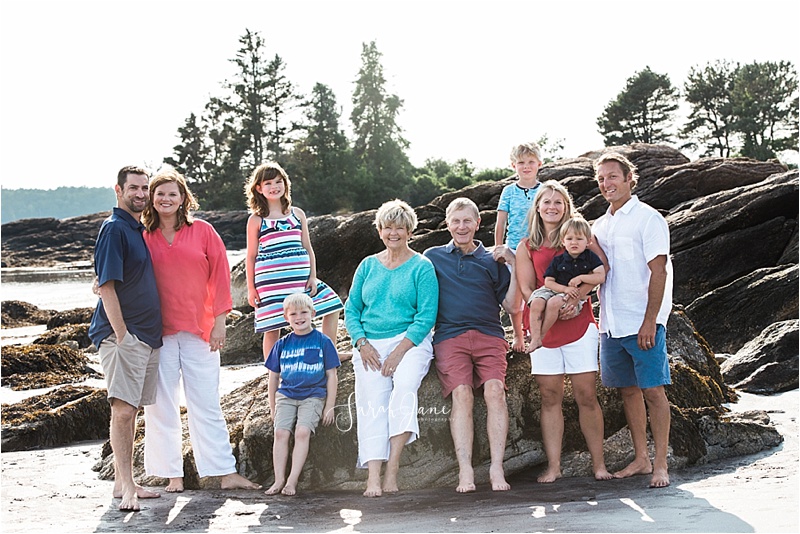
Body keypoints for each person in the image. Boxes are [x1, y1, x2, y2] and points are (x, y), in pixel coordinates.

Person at [141, 170, 260, 493]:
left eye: (172, 194)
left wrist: (220, 322)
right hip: (157, 333)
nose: (166, 199)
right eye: (160, 194)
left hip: (201, 331)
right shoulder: (144, 234)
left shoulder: (203, 231)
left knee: (205, 403)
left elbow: (221, 277)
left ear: (183, 199)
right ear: (152, 199)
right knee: (160, 405)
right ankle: (172, 475)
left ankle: (224, 473)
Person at [515, 180, 612, 484]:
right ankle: (554, 466)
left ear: (566, 206)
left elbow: (601, 272)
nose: (552, 207)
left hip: (579, 327)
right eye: (547, 202)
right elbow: (528, 288)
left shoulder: (581, 236)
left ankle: (599, 465)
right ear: (538, 207)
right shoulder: (527, 245)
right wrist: (546, 302)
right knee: (550, 397)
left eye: (558, 202)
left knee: (586, 395)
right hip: (544, 329)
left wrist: (578, 298)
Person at [344, 199, 439, 497]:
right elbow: (352, 310)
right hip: (370, 342)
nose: (393, 233)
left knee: (404, 388)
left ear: (410, 231)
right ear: (379, 230)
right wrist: (362, 343)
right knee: (371, 402)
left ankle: (393, 469)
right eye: (387, 227)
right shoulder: (368, 265)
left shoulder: (422, 267)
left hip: (410, 341)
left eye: (400, 227)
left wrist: (399, 351)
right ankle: (372, 476)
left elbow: (426, 316)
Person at [592, 152, 673, 488]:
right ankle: (641, 459)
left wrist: (650, 321)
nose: (606, 183)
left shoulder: (648, 219)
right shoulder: (598, 225)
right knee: (627, 391)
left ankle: (661, 464)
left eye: (612, 176)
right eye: (600, 179)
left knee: (653, 391)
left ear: (629, 179)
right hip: (611, 323)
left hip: (643, 321)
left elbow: (659, 271)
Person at [424, 198, 516, 493]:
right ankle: (465, 471)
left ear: (478, 224)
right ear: (447, 224)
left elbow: (512, 304)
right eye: (456, 221)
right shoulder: (432, 257)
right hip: (450, 337)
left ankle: (496, 468)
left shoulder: (493, 260)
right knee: (462, 395)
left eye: (467, 221)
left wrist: (514, 263)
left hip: (490, 334)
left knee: (495, 392)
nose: (461, 227)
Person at [88, 165, 163, 511]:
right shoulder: (114, 229)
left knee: (131, 411)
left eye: (144, 188)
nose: (141, 194)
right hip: (125, 337)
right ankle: (128, 489)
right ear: (118, 190)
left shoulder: (136, 229)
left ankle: (122, 482)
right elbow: (106, 286)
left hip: (145, 336)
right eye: (134, 187)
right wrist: (122, 336)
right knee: (122, 409)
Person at [244, 162, 344, 362]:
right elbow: (251, 256)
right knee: (273, 327)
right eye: (269, 183)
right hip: (270, 284)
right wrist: (251, 288)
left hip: (300, 282)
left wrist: (313, 277)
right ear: (258, 188)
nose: (275, 187)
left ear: (285, 184)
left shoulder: (297, 214)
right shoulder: (257, 220)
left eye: (279, 182)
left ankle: (328, 354)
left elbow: (307, 247)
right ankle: (273, 370)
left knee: (332, 306)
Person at [264, 293, 340, 496]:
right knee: (281, 433)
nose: (299, 317)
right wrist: (273, 406)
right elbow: (273, 377)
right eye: (294, 313)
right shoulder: (281, 344)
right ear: (286, 317)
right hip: (286, 396)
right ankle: (279, 479)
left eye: (304, 312)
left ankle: (292, 480)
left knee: (302, 432)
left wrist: (329, 405)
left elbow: (332, 375)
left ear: (313, 313)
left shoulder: (323, 342)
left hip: (313, 396)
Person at [494, 142, 544, 352]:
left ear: (539, 164)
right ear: (513, 165)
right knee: (514, 296)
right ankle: (517, 335)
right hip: (514, 248)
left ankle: (537, 332)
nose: (526, 166)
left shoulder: (544, 190)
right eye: (521, 162)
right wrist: (498, 247)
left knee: (535, 292)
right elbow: (501, 221)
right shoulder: (509, 191)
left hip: (538, 247)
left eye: (531, 162)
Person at [528, 216, 606, 352]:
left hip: (572, 295)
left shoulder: (590, 258)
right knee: (536, 303)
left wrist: (582, 278)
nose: (574, 242)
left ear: (588, 241)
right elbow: (548, 281)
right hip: (555, 288)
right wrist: (565, 288)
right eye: (569, 239)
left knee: (553, 303)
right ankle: (534, 337)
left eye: (579, 239)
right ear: (563, 241)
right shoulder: (558, 260)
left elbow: (601, 277)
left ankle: (541, 336)